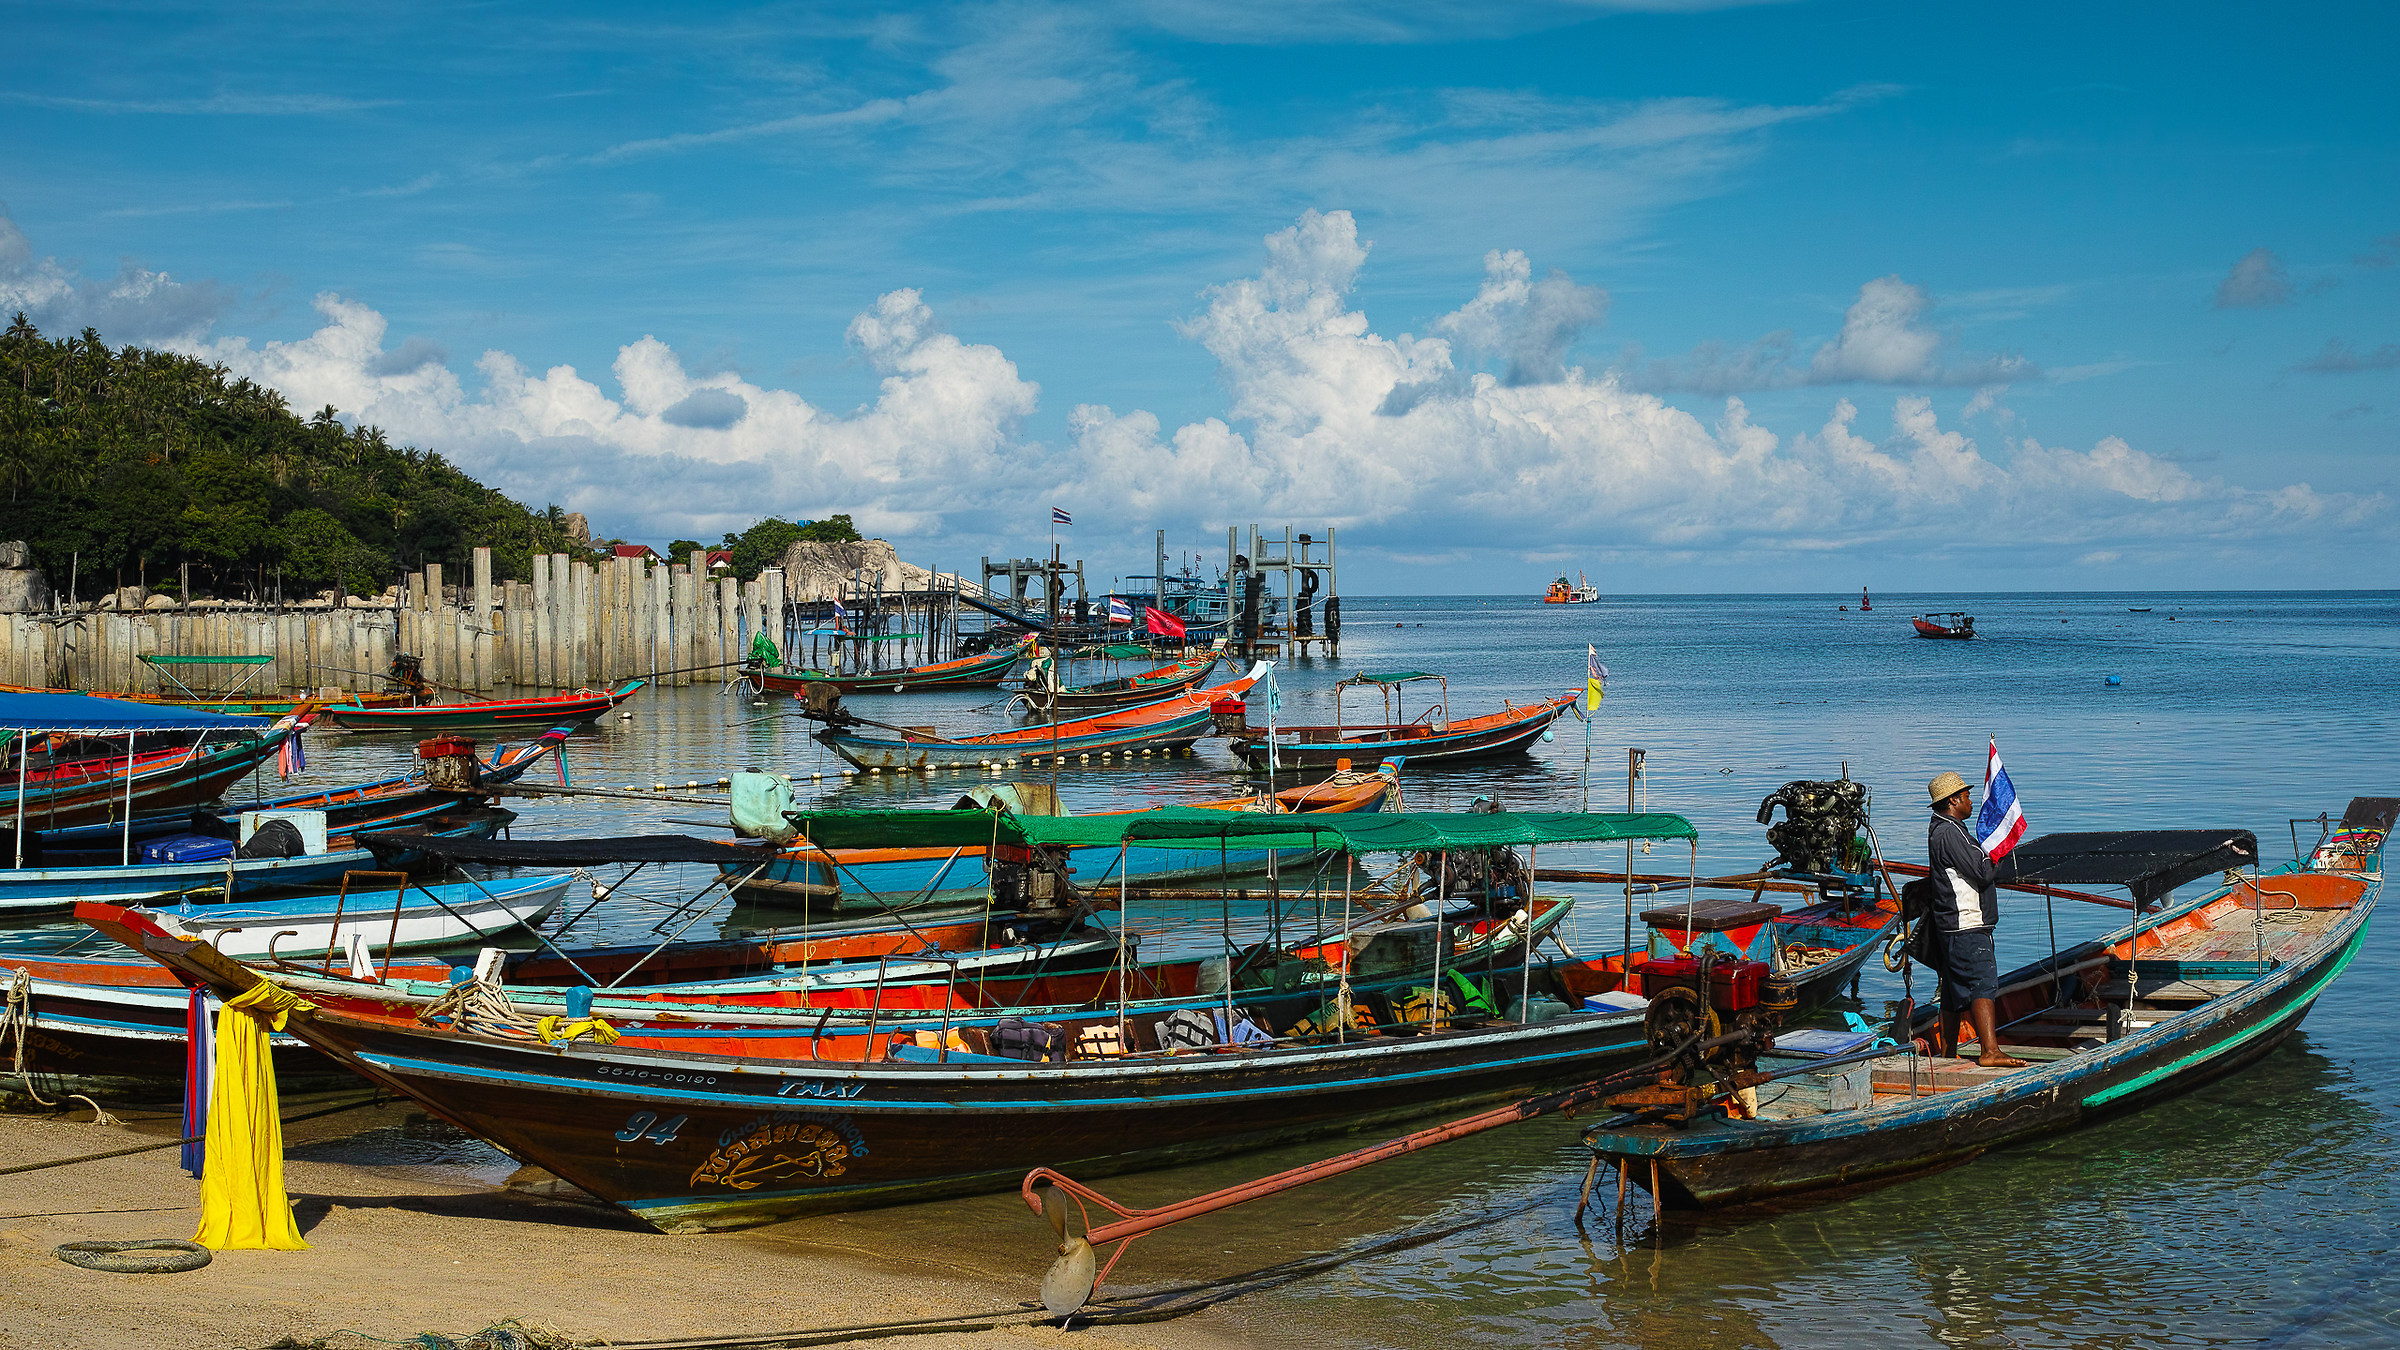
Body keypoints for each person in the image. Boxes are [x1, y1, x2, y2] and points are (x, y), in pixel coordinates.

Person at [1926, 771, 2027, 1068]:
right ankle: (1990, 1051)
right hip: (1966, 925)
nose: (1971, 801)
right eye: (1967, 796)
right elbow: (1982, 870)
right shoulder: (1951, 832)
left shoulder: (1940, 830)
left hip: (1951, 927)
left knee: (1954, 991)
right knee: (1983, 983)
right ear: (1953, 801)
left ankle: (1946, 1053)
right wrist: (1996, 849)